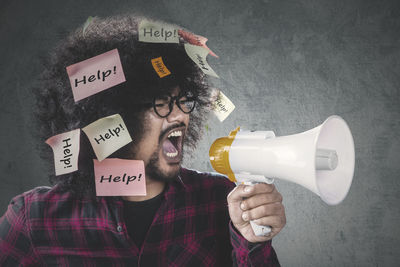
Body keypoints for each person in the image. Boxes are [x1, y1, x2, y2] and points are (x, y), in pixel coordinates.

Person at [0, 15, 285, 266]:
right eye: (161, 102)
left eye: (184, 100)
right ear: (111, 116)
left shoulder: (221, 201)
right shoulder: (34, 219)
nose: (179, 115)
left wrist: (252, 242)